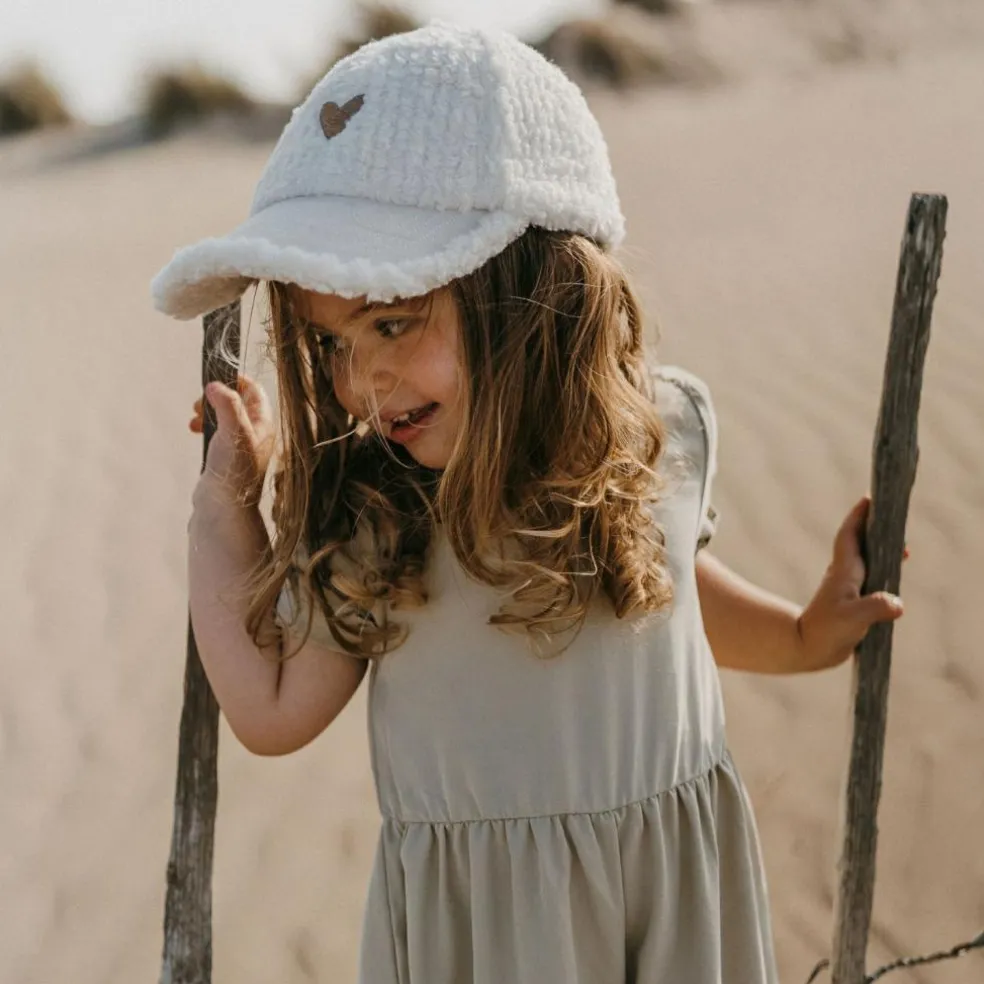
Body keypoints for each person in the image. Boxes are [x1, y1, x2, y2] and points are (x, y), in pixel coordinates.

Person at [155, 22, 907, 984]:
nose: (361, 380)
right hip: (487, 943)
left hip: (669, 918)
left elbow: (662, 590)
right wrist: (224, 508)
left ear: (531, 290)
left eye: (393, 321)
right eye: (332, 344)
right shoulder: (383, 520)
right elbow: (269, 712)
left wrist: (803, 636)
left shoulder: (659, 435)